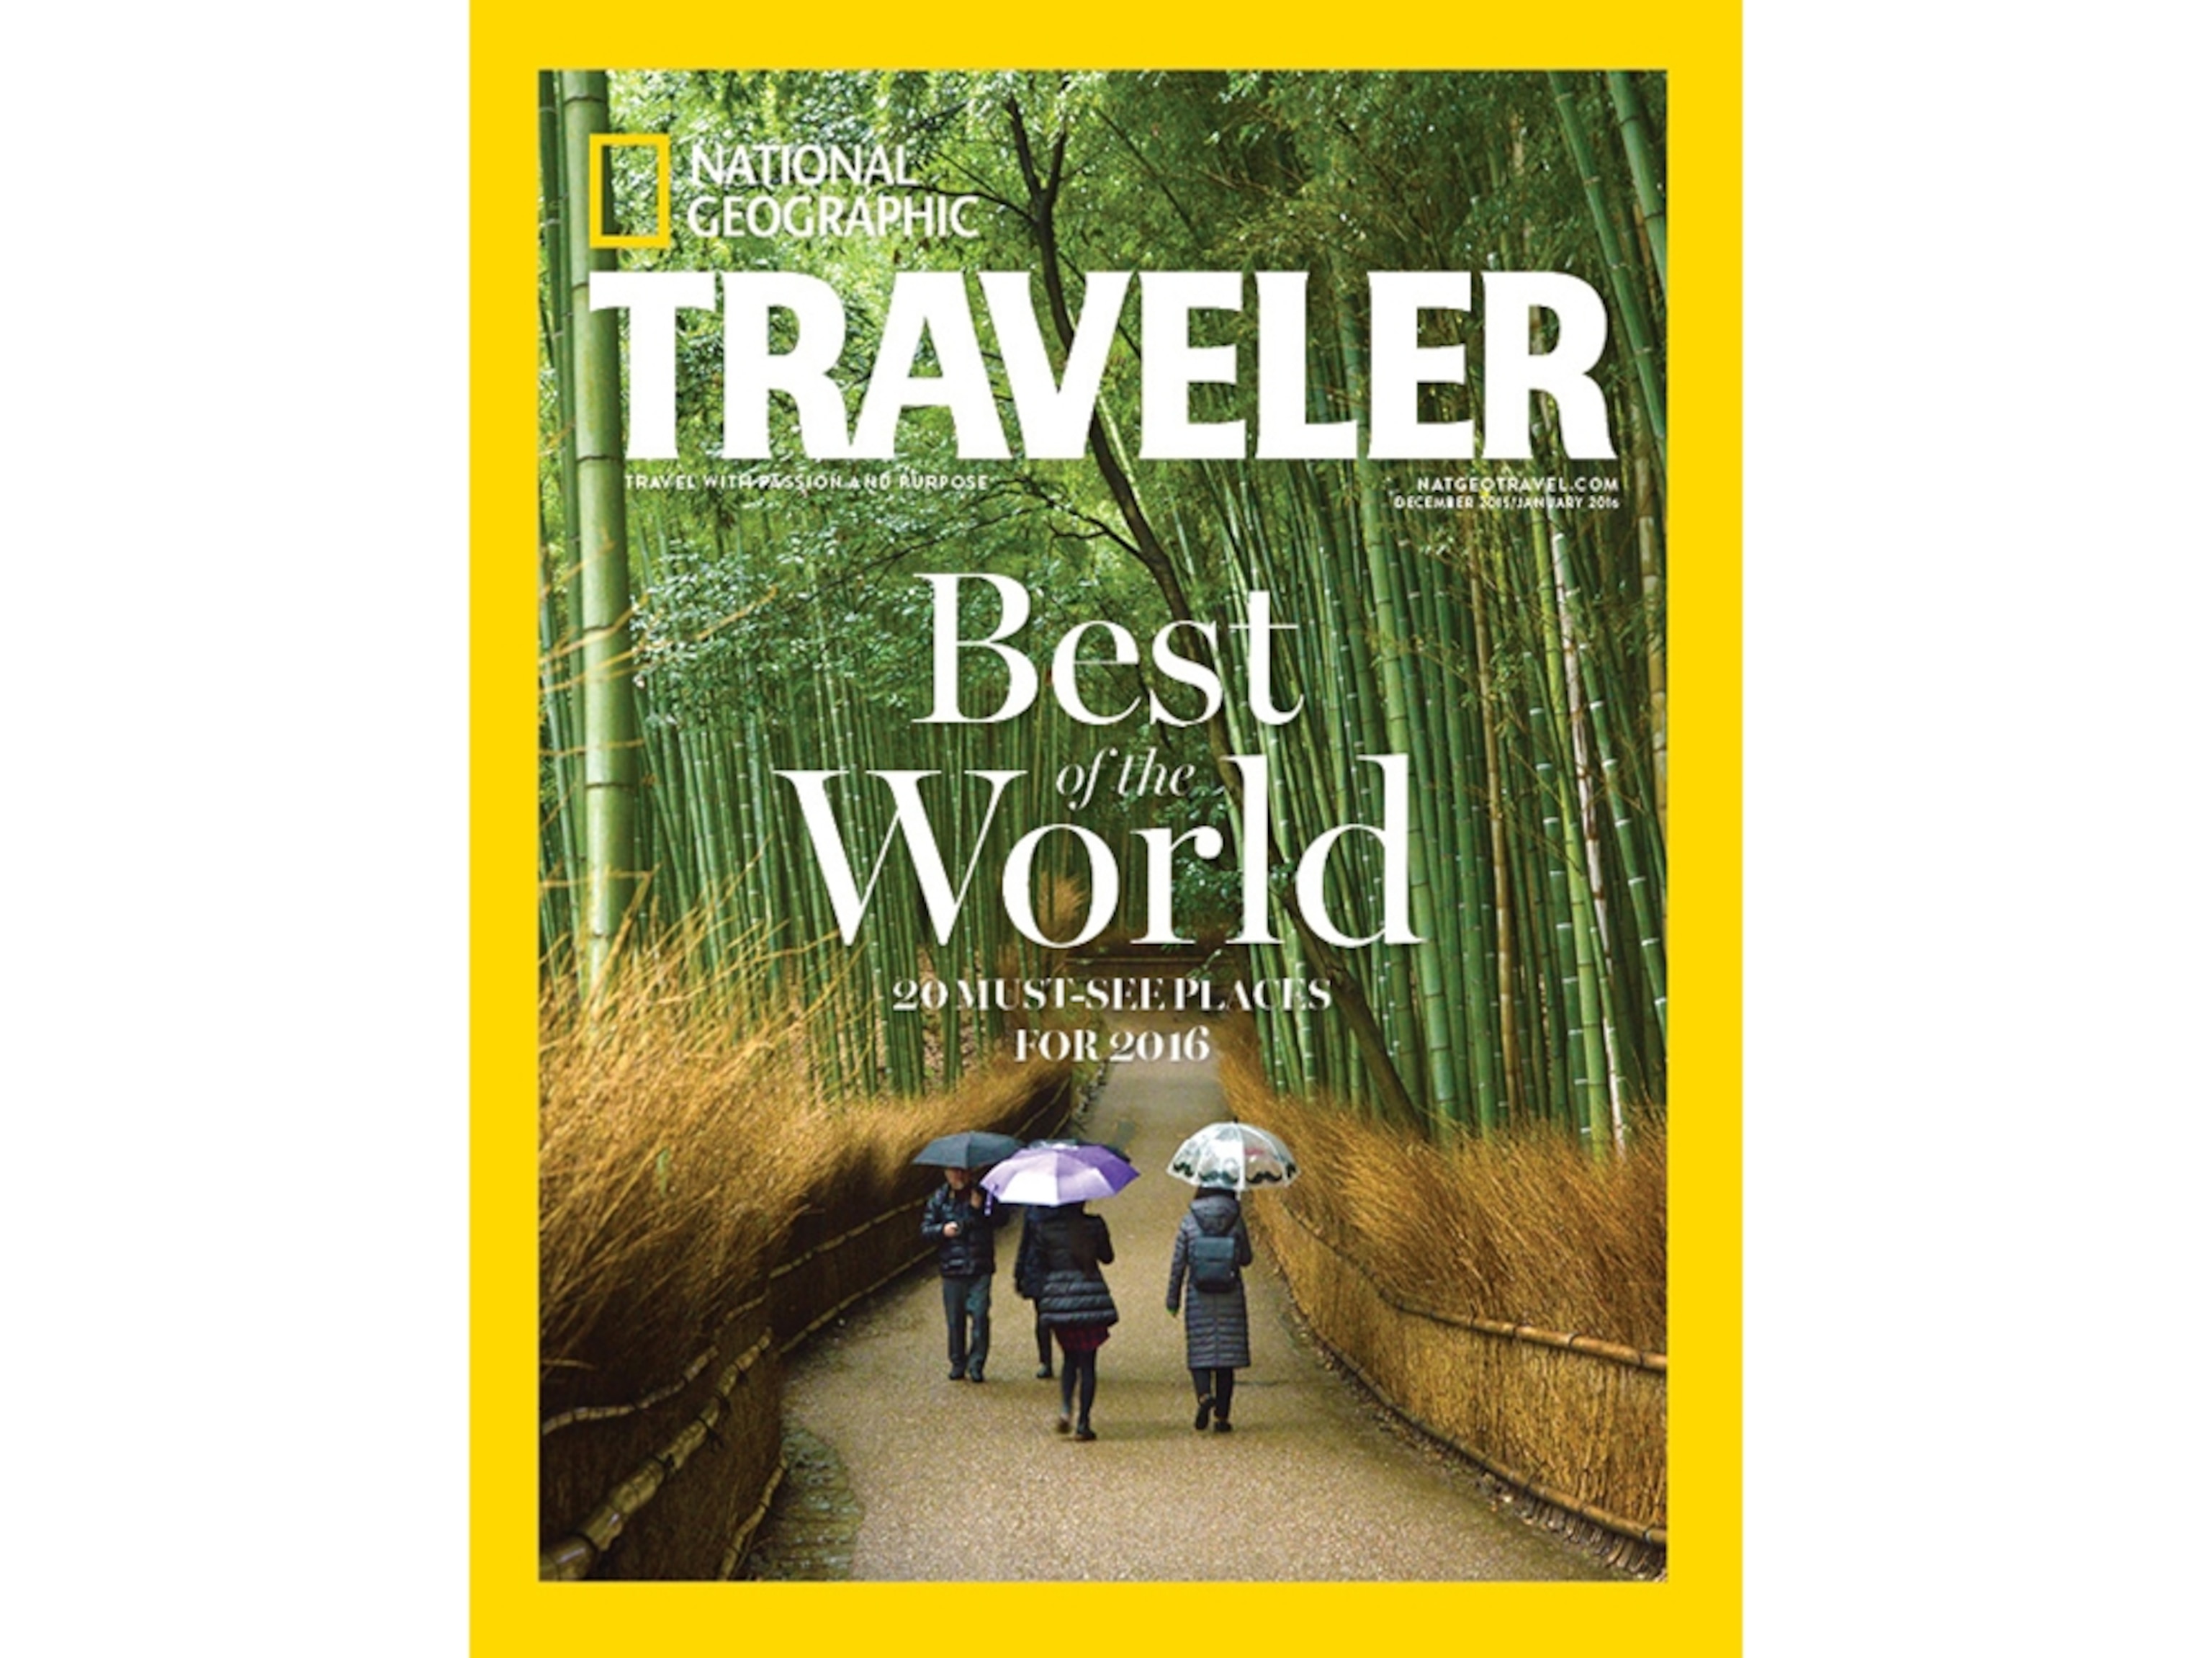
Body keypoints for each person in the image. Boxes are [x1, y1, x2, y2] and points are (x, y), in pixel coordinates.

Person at [1017, 1200, 1118, 1440]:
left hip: (1060, 1300)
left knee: (1069, 1359)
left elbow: (1039, 1265)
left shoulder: (1045, 1230)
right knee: (1088, 1363)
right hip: (1090, 1299)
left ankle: (1065, 1408)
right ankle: (1084, 1422)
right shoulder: (1093, 1225)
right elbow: (1107, 1257)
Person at [1165, 1184, 1254, 1432]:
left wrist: (1173, 1301)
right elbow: (1247, 1258)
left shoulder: (1190, 1220)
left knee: (1200, 1352)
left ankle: (1204, 1397)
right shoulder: (1236, 1219)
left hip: (1199, 1293)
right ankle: (1222, 1418)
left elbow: (1178, 1263)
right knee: (1227, 1359)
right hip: (1230, 1293)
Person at [922, 1165, 1003, 1381]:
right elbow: (925, 1230)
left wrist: (979, 1210)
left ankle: (977, 1363)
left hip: (980, 1265)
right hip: (952, 1267)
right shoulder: (939, 1199)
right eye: (953, 1171)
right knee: (955, 1319)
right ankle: (958, 1362)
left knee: (980, 1315)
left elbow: (1001, 1220)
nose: (958, 1176)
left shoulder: (983, 1194)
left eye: (962, 1171)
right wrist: (942, 1231)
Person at [1012, 1205, 1054, 1379]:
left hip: (1059, 1265)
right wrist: (1019, 1271)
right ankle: (1046, 1360)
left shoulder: (1070, 1206)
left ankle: (1069, 1358)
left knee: (1064, 1317)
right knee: (1042, 1318)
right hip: (1038, 1267)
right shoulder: (1032, 1210)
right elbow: (1026, 1241)